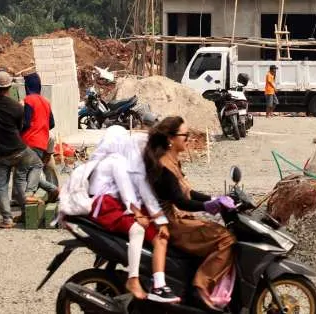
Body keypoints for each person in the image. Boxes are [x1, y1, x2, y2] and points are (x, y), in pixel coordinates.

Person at [145, 116, 237, 310]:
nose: (188, 139)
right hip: (170, 222)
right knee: (225, 238)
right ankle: (199, 287)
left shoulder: (172, 161)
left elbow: (188, 192)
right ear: (171, 138)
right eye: (185, 135)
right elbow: (181, 202)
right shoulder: (164, 166)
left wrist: (215, 197)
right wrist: (207, 206)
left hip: (177, 217)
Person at [87, 126, 180, 303]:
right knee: (138, 229)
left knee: (158, 235)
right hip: (107, 205)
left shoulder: (121, 158)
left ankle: (157, 282)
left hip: (119, 203)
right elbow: (131, 192)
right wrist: (148, 216)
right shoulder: (118, 160)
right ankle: (135, 280)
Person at [0, 70, 45, 229]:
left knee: (1, 186)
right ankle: (28, 196)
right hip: (18, 149)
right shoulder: (17, 107)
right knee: (36, 164)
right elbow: (20, 127)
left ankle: (7, 219)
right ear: (9, 87)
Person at [13, 72, 59, 205]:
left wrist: (18, 133)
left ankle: (29, 196)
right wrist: (41, 128)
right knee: (31, 170)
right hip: (41, 143)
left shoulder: (28, 100)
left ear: (27, 87)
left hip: (29, 141)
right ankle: (49, 190)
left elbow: (26, 122)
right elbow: (52, 123)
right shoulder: (46, 102)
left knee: (22, 173)